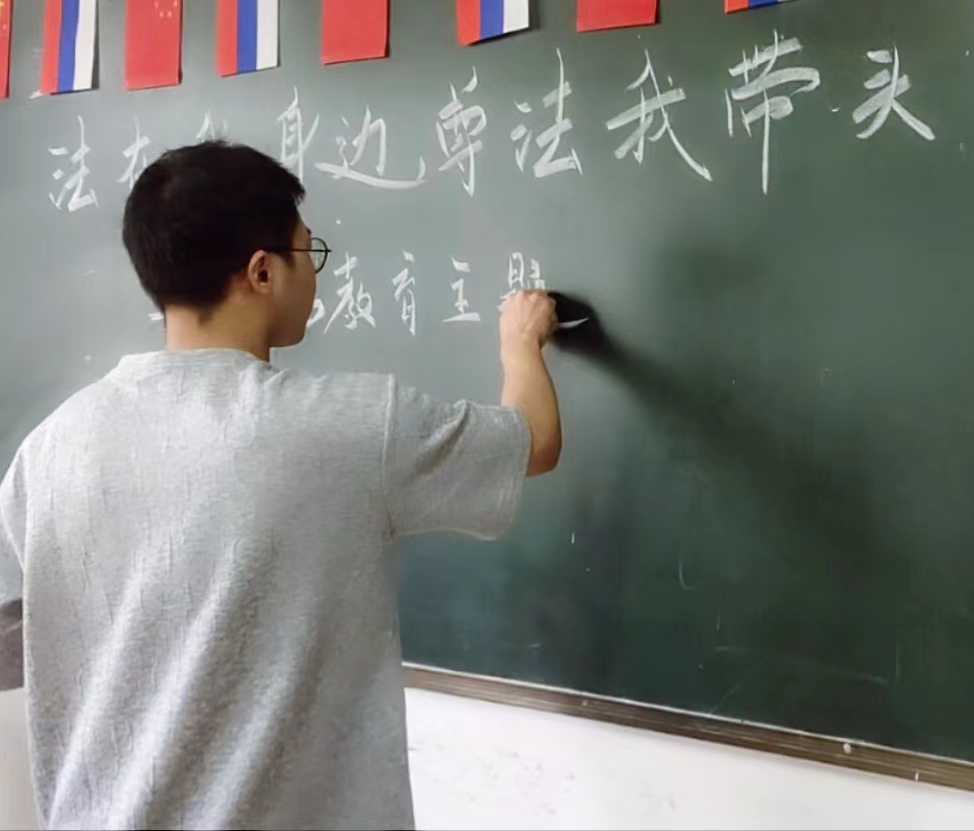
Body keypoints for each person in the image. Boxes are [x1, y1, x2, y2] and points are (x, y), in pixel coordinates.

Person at [0, 141, 561, 829]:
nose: (314, 274)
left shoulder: (50, 448)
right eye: (308, 252)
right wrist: (521, 343)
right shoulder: (352, 427)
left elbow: (12, 640)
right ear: (262, 272)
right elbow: (533, 441)